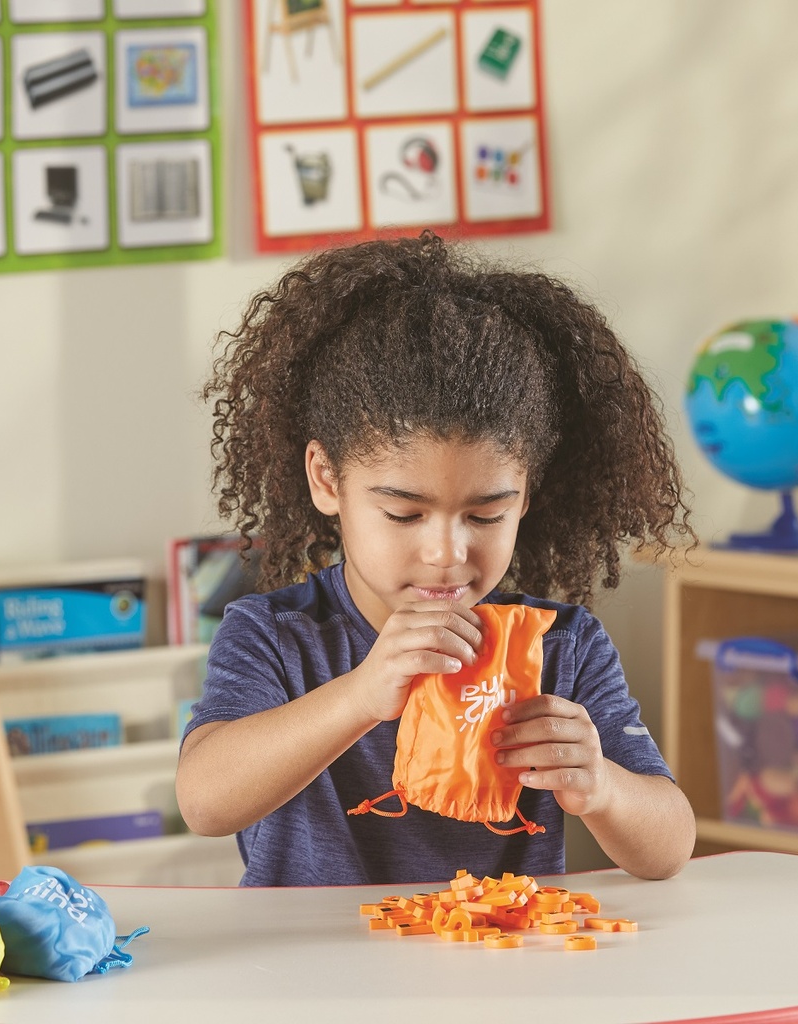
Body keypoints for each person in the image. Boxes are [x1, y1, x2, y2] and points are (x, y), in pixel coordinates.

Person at [176, 230, 697, 887]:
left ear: (526, 495)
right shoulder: (279, 638)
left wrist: (601, 786)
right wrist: (361, 696)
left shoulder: (562, 649)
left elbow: (671, 845)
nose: (448, 553)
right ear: (327, 480)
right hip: (311, 978)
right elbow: (203, 800)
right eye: (404, 514)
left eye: (485, 515)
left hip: (498, 968)